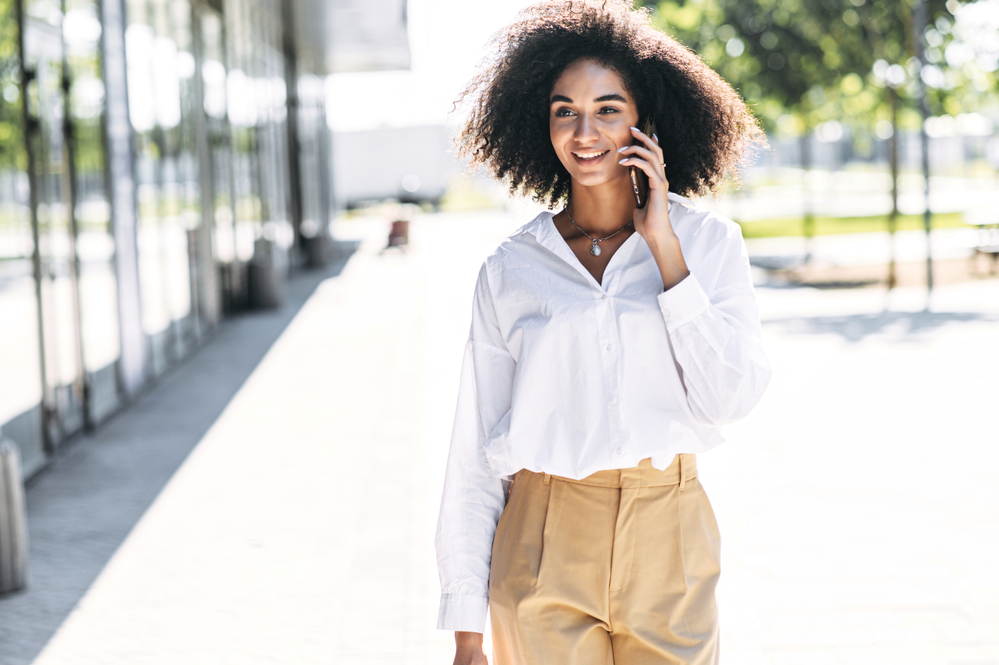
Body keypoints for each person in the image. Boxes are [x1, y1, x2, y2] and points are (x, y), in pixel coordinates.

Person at [435, 2, 771, 663]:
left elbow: (730, 397)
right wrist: (464, 624)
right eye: (565, 110)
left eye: (607, 109)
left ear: (644, 120)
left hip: (669, 531)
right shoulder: (511, 269)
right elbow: (474, 447)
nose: (583, 131)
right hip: (541, 536)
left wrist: (666, 253)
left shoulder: (706, 244)